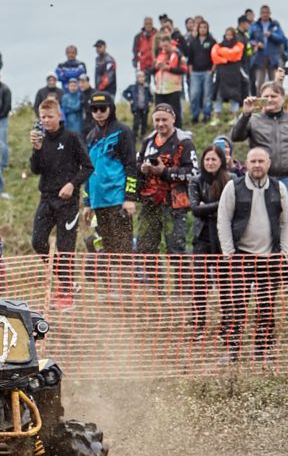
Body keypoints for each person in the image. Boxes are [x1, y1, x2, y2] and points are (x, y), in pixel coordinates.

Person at [217, 147, 288, 361]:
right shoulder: (233, 187)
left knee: (266, 306)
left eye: (261, 161)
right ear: (246, 164)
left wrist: (284, 252)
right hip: (241, 255)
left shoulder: (279, 188)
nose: (257, 165)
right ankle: (232, 350)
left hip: (270, 257)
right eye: (253, 161)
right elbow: (223, 220)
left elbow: (286, 222)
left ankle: (263, 350)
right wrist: (229, 253)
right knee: (236, 305)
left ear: (268, 164)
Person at [229, 80, 288, 252]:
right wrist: (245, 114)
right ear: (260, 98)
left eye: (274, 95)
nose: (270, 99)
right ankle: (269, 268)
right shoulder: (254, 119)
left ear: (282, 97)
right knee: (262, 227)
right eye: (266, 96)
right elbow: (236, 136)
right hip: (261, 181)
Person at [30, 98, 94, 308]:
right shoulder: (41, 139)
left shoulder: (71, 137)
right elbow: (35, 169)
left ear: (59, 116)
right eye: (43, 117)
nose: (46, 120)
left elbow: (88, 167)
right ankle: (67, 281)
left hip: (68, 201)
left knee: (65, 247)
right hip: (46, 198)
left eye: (50, 116)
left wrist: (72, 185)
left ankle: (67, 292)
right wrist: (37, 149)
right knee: (38, 241)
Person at [130, 104, 198, 269]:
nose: (160, 124)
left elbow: (194, 173)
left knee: (176, 249)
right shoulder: (148, 142)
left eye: (164, 120)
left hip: (174, 204)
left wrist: (165, 172)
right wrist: (142, 168)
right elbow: (135, 165)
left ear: (173, 119)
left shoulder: (184, 143)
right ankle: (154, 284)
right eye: (157, 120)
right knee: (145, 248)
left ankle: (182, 285)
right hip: (150, 202)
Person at [82, 92, 137, 262]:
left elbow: (131, 166)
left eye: (102, 108)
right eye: (94, 109)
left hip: (118, 199)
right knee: (107, 249)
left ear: (110, 108)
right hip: (98, 201)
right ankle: (113, 280)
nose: (98, 112)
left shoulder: (123, 131)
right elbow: (87, 170)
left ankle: (129, 279)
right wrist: (87, 202)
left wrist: (130, 198)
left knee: (124, 249)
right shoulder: (90, 136)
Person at [187, 145, 230, 334]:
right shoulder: (196, 181)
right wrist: (220, 205)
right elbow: (195, 209)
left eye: (214, 159)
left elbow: (234, 207)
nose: (210, 163)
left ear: (221, 161)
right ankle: (198, 322)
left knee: (225, 283)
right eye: (207, 159)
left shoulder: (231, 179)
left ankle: (227, 322)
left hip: (224, 238)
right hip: (202, 237)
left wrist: (208, 206)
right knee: (199, 283)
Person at [184, 19, 217, 125]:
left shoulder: (212, 41)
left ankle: (207, 115)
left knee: (207, 95)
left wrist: (212, 70)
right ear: (198, 29)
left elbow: (215, 56)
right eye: (201, 27)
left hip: (207, 72)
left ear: (207, 29)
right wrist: (190, 72)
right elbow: (190, 59)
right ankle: (195, 115)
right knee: (194, 95)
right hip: (195, 73)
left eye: (205, 27)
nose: (203, 29)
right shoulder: (193, 42)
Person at [212, 27, 250, 117]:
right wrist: (225, 60)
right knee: (218, 93)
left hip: (234, 73)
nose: (228, 37)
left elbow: (233, 54)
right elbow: (214, 56)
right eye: (227, 35)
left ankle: (234, 115)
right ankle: (216, 115)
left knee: (234, 94)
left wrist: (221, 53)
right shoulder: (218, 45)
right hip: (222, 73)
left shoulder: (239, 45)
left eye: (231, 35)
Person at [249, 5, 287, 92]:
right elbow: (249, 39)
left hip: (273, 57)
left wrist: (271, 35)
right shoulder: (255, 25)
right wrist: (256, 43)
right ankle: (260, 100)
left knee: (275, 82)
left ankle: (275, 99)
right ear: (260, 13)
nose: (265, 14)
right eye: (263, 13)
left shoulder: (275, 24)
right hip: (259, 57)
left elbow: (282, 38)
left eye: (266, 13)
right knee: (259, 83)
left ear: (270, 13)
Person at [152, 34, 187, 124]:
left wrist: (169, 68)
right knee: (160, 113)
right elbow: (151, 70)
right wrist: (156, 67)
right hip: (160, 90)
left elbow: (183, 70)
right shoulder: (159, 54)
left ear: (170, 44)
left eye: (166, 46)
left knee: (174, 113)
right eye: (163, 46)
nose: (164, 48)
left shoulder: (178, 54)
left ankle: (177, 130)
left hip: (173, 89)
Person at [122, 69, 153, 144]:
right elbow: (124, 93)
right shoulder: (132, 87)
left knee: (144, 123)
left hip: (145, 108)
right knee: (136, 123)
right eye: (140, 76)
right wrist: (130, 99)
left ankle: (142, 136)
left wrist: (150, 102)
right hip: (136, 108)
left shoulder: (146, 87)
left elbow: (151, 96)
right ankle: (134, 137)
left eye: (143, 76)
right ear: (137, 78)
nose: (142, 78)